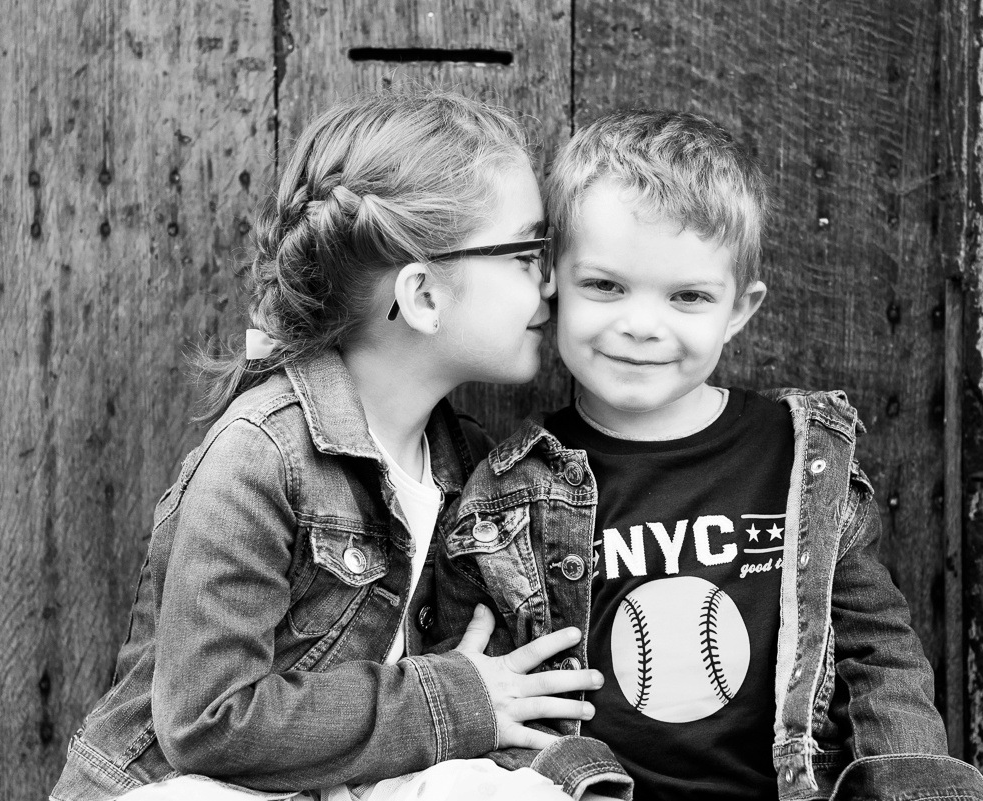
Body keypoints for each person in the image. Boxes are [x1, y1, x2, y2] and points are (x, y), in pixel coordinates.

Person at [50, 89, 632, 801]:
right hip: (186, 782)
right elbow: (206, 724)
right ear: (423, 296)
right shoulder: (262, 456)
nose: (551, 283)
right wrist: (455, 700)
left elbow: (481, 698)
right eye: (524, 254)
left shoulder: (471, 465)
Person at [432, 109, 983, 801]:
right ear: (552, 278)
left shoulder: (798, 460)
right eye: (605, 285)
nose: (641, 324)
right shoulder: (509, 492)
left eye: (687, 296)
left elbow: (878, 654)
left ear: (739, 308)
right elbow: (480, 699)